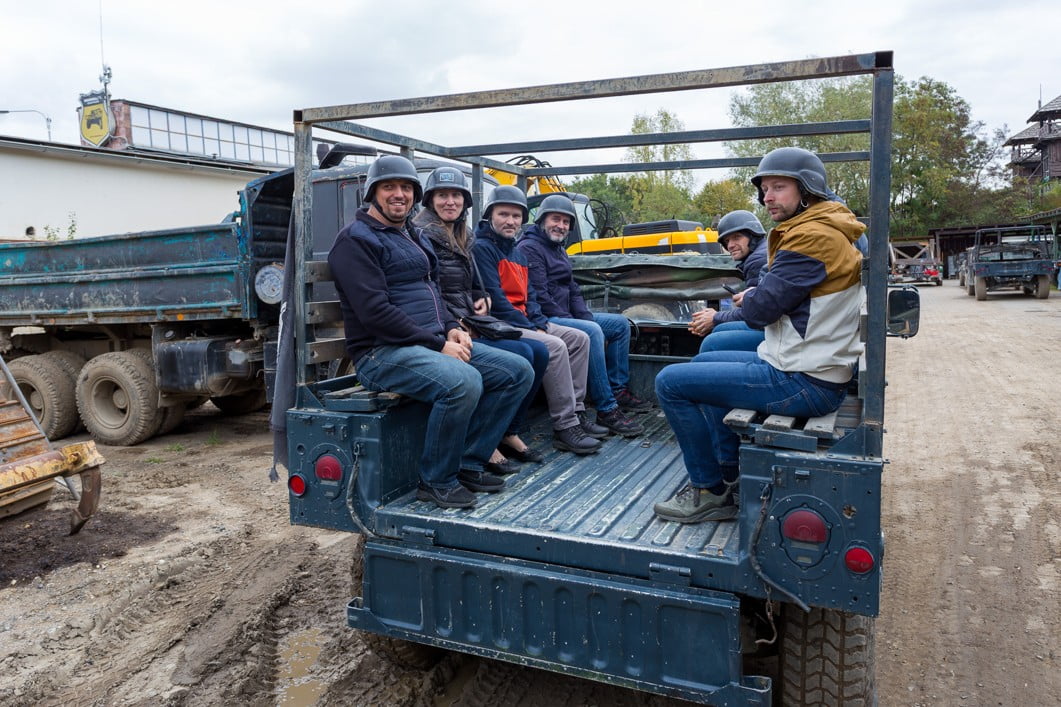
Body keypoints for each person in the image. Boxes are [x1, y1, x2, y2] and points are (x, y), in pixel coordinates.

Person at [653, 147, 864, 523]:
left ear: (807, 189)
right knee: (705, 363)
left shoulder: (811, 238)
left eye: (778, 187)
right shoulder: (821, 228)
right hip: (805, 364)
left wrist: (755, 296)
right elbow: (774, 298)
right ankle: (728, 469)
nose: (767, 197)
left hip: (804, 380)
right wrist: (760, 294)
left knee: (670, 382)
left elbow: (761, 312)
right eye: (765, 189)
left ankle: (711, 493)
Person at [327, 155, 534, 509]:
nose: (399, 195)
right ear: (372, 193)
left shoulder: (409, 234)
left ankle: (469, 462)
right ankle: (436, 480)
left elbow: (434, 290)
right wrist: (438, 344)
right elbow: (375, 314)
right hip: (381, 353)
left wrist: (452, 328)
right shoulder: (355, 241)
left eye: (406, 188)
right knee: (462, 381)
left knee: (517, 371)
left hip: (426, 343)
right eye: (389, 187)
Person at [412, 166, 549, 472]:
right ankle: (482, 444)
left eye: (456, 196)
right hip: (448, 327)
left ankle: (506, 431)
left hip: (469, 321)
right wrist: (452, 324)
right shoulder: (423, 235)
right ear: (431, 199)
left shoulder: (462, 233)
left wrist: (481, 296)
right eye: (443, 195)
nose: (450, 202)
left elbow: (472, 280)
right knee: (521, 355)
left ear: (465, 202)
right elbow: (429, 290)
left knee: (538, 351)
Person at [473, 186, 604, 455]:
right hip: (501, 325)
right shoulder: (483, 249)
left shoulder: (517, 253)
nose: (510, 221)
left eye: (516, 216)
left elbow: (529, 294)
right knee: (554, 346)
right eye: (503, 214)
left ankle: (577, 413)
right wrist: (531, 325)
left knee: (580, 338)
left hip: (526, 320)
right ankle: (565, 427)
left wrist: (538, 319)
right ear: (489, 216)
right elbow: (496, 300)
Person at [517, 194, 650, 438]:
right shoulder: (529, 248)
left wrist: (585, 317)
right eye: (556, 219)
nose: (561, 225)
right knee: (591, 331)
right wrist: (581, 323)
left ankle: (618, 390)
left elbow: (574, 290)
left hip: (567, 315)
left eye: (566, 222)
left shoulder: (559, 250)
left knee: (620, 325)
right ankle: (606, 409)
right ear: (542, 220)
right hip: (544, 319)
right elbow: (540, 297)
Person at [689, 210, 769, 354]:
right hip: (772, 329)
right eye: (727, 241)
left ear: (753, 235)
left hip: (772, 332)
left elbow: (755, 312)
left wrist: (715, 317)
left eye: (737, 237)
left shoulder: (758, 260)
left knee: (712, 343)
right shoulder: (760, 254)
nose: (730, 245)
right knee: (719, 330)